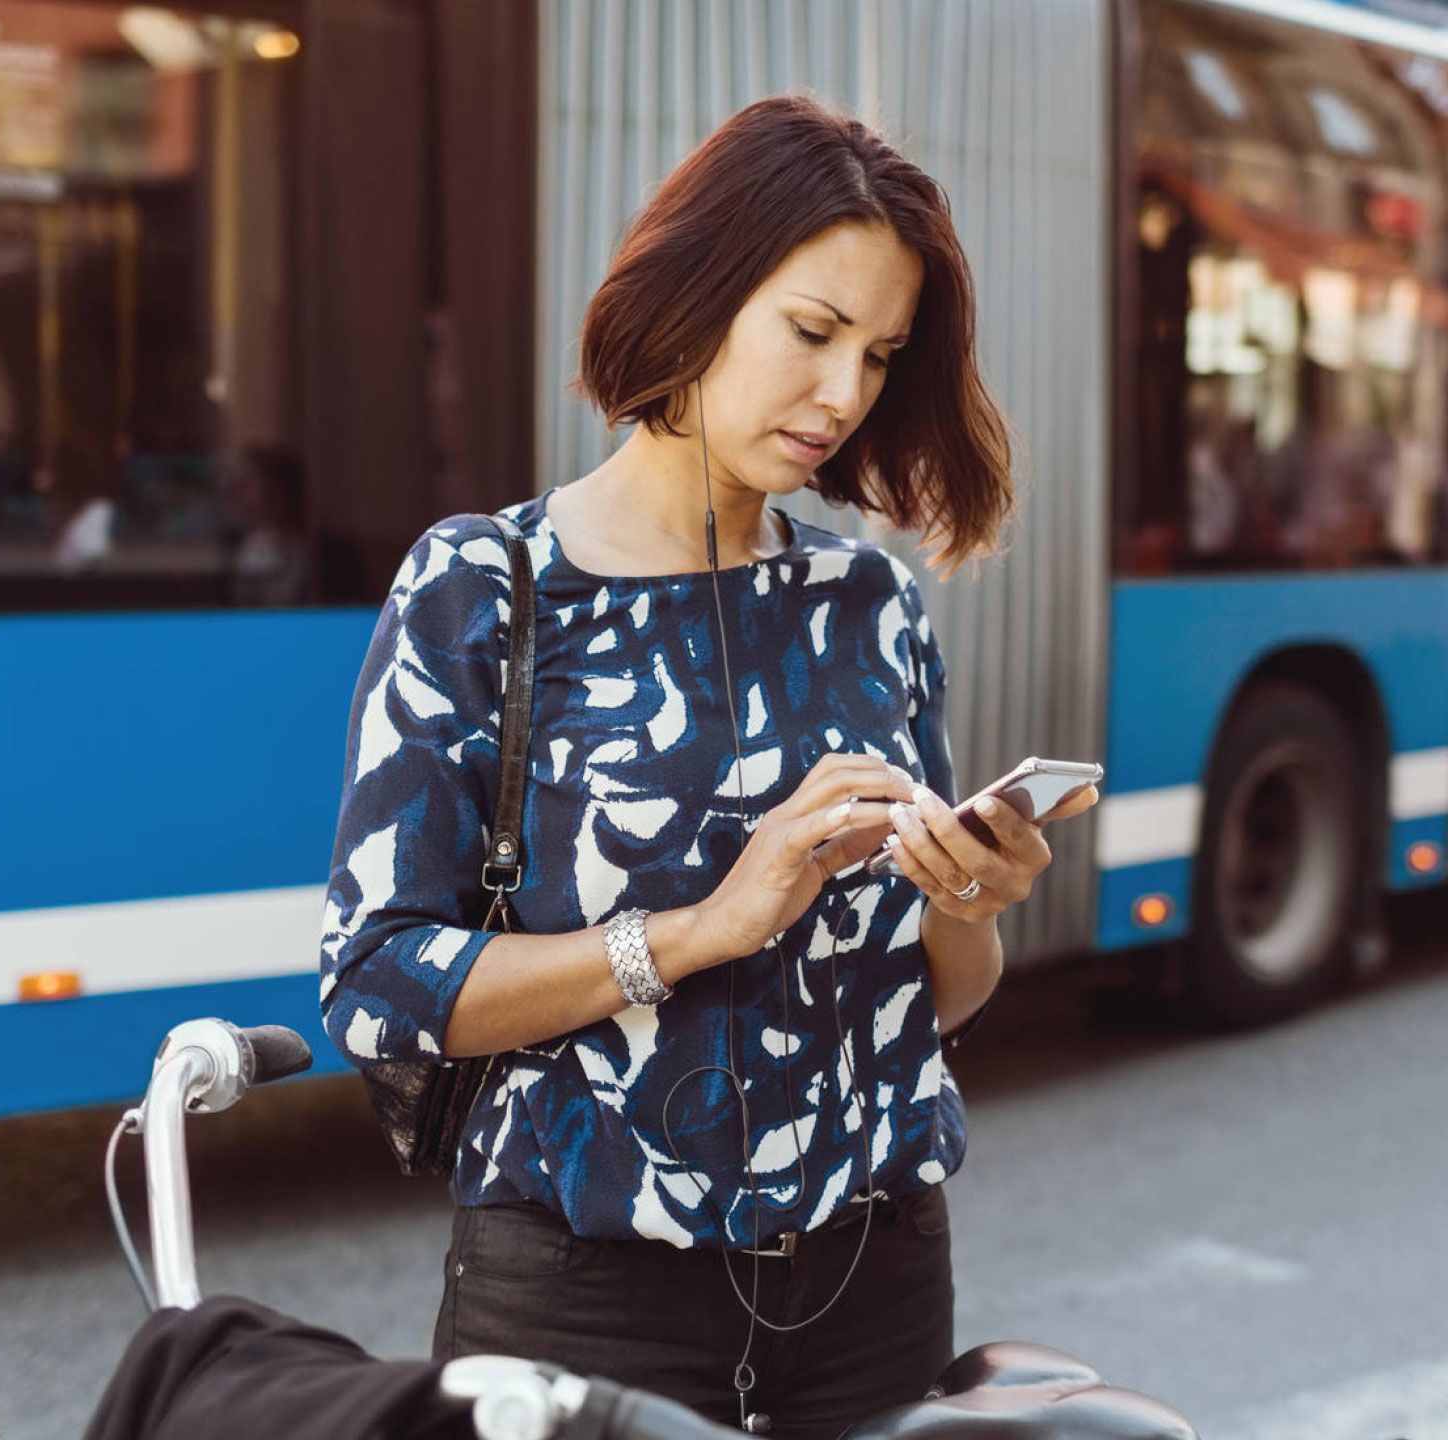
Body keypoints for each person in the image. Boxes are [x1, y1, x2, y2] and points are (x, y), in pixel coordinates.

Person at [317, 97, 1078, 1440]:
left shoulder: (869, 605)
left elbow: (933, 1008)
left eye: (882, 356)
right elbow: (375, 983)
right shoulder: (484, 590)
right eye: (812, 333)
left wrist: (969, 905)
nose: (844, 395)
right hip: (581, 1300)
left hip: (875, 1285)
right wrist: (704, 929)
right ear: (698, 295)